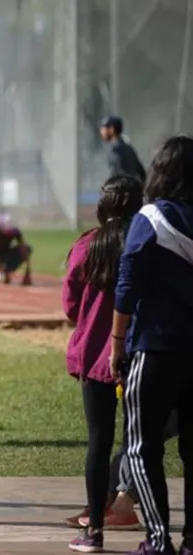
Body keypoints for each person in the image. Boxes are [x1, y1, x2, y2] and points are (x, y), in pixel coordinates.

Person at [110, 135, 193, 555]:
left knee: (142, 446)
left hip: (154, 348)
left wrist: (116, 343)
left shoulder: (150, 219)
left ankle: (159, 540)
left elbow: (127, 286)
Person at [60, 175, 144, 553]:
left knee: (99, 440)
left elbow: (70, 305)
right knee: (141, 439)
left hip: (95, 357)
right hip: (139, 354)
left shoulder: (87, 245)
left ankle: (93, 531)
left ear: (104, 206)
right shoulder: (146, 240)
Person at [99, 116, 146, 185]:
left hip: (121, 192)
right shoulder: (128, 148)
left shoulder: (116, 151)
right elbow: (142, 173)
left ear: (112, 129)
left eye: (103, 128)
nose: (101, 131)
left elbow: (120, 178)